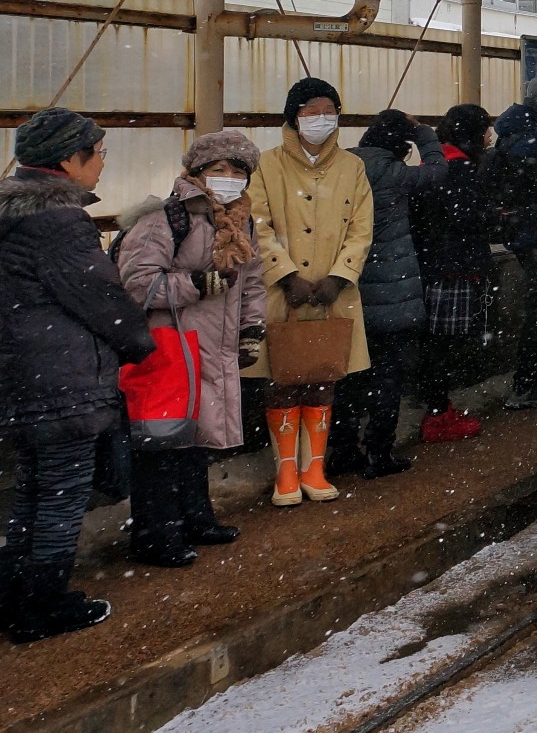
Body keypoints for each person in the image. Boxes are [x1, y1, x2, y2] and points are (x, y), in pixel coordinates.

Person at [0, 108, 155, 641]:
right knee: (63, 495)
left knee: (33, 489)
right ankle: (42, 606)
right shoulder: (60, 223)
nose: (103, 164)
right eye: (99, 153)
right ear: (69, 159)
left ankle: (13, 594)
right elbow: (102, 299)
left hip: (20, 377)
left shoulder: (11, 215)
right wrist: (138, 342)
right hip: (64, 380)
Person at [114, 130, 267, 567]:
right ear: (196, 172)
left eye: (239, 171)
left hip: (212, 346)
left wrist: (252, 328)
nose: (229, 178)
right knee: (164, 442)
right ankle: (154, 535)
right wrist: (195, 285)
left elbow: (251, 279)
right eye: (219, 169)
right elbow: (137, 283)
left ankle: (196, 518)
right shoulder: (164, 219)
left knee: (197, 438)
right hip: (169, 348)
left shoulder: (241, 222)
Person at [247, 77, 372, 507]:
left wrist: (339, 276)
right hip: (283, 294)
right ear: (292, 117)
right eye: (311, 112)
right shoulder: (266, 165)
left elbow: (361, 228)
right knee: (283, 378)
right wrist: (285, 274)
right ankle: (285, 470)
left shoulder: (352, 167)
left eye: (329, 111)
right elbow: (255, 224)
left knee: (323, 375)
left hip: (334, 293)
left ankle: (313, 467)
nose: (322, 120)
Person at [331, 109, 444, 477]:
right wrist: (424, 133)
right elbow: (438, 171)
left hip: (348, 286)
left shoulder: (343, 166)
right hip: (392, 291)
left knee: (347, 375)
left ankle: (342, 450)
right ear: (400, 144)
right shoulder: (393, 172)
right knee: (386, 375)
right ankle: (379, 452)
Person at [413, 105, 495, 441]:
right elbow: (465, 217)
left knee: (436, 346)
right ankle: (437, 415)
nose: (490, 136)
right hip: (453, 268)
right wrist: (496, 217)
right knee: (443, 347)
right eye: (486, 128)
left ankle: (438, 408)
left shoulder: (435, 160)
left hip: (432, 264)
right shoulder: (459, 167)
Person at [487, 78, 537, 410]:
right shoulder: (534, 140)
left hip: (522, 231)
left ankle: (528, 383)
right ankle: (527, 385)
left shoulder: (513, 132)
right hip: (534, 233)